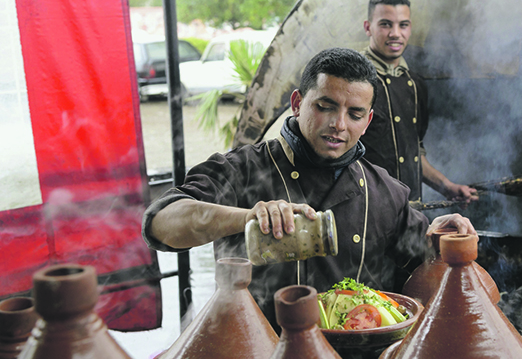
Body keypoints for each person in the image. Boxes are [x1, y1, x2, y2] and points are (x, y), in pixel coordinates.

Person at [142, 47, 477, 325]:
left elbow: (430, 261)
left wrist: (441, 236)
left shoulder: (384, 191)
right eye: (324, 106)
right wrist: (245, 218)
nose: (338, 124)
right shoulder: (243, 169)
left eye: (355, 113)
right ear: (298, 102)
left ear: (368, 120)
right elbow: (160, 224)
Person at [361, 0, 479, 204]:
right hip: (368, 212)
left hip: (412, 212)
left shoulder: (415, 84)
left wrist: (446, 186)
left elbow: (414, 154)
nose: (395, 33)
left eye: (403, 25)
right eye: (386, 24)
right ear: (368, 27)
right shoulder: (353, 80)